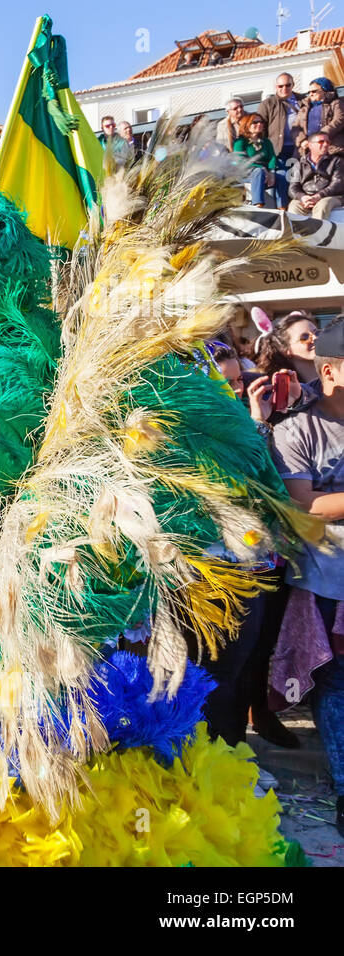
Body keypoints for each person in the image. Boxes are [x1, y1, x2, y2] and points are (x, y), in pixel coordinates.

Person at [268, 315, 344, 838]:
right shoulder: (296, 429)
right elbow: (303, 507)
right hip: (329, 579)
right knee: (337, 687)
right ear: (332, 371)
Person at [233, 113, 287, 209]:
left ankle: (282, 207)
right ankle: (258, 204)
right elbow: (240, 160)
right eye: (255, 122)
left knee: (282, 174)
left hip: (265, 173)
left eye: (261, 122)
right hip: (247, 173)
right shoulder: (240, 142)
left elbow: (272, 158)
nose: (259, 124)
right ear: (246, 124)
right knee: (259, 172)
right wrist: (260, 168)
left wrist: (272, 172)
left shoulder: (266, 142)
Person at [289, 131, 344, 219]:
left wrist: (318, 196)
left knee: (323, 205)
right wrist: (303, 197)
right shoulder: (299, 163)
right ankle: (297, 232)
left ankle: (318, 232)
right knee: (294, 206)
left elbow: (337, 184)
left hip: (331, 196)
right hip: (306, 196)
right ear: (311, 145)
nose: (326, 144)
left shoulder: (337, 161)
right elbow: (293, 187)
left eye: (328, 142)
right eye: (321, 142)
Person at [293, 77, 344, 157]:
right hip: (307, 149)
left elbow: (338, 121)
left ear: (325, 91)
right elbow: (295, 127)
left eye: (314, 91)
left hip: (331, 149)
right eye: (309, 92)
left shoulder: (336, 103)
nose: (310, 94)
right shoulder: (305, 107)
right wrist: (302, 141)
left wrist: (320, 137)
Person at [259, 72, 302, 167]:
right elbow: (261, 129)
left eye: (288, 85)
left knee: (300, 177)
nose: (284, 89)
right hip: (278, 149)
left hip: (300, 147)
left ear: (293, 85)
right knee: (284, 177)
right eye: (280, 86)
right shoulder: (267, 104)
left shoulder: (303, 100)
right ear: (276, 87)